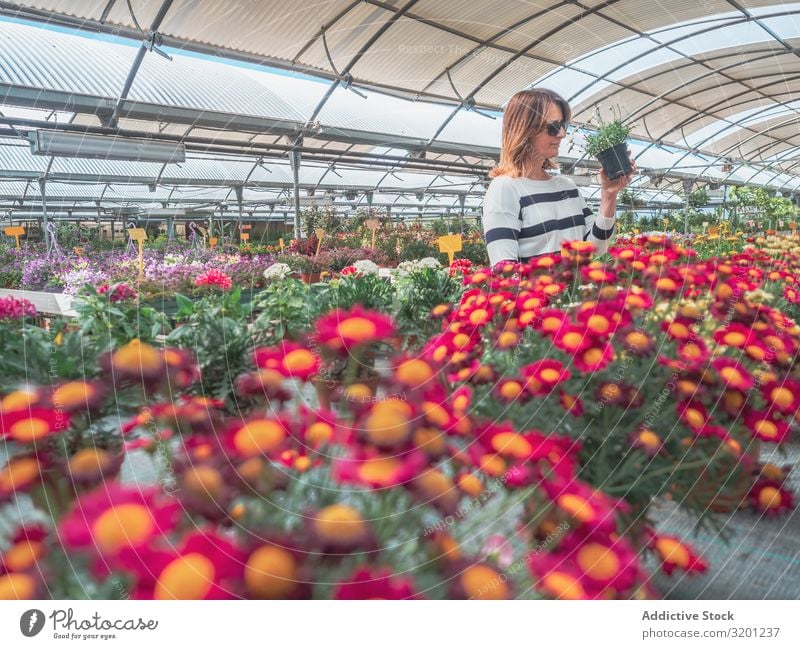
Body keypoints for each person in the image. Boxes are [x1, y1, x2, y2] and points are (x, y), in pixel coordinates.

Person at [483, 88, 636, 266]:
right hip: (538, 294)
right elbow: (505, 270)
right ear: (524, 130)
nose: (562, 134)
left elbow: (596, 249)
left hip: (576, 293)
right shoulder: (505, 189)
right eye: (553, 127)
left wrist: (608, 195)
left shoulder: (568, 187)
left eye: (563, 126)